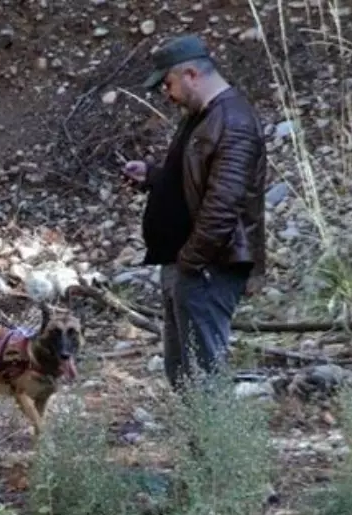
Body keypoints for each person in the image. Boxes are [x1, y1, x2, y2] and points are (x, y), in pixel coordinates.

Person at [123, 35, 267, 390]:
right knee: (185, 376)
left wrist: (191, 262)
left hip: (207, 269)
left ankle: (218, 446)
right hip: (190, 266)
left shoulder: (232, 122)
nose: (167, 94)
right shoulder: (203, 116)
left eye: (168, 84)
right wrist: (154, 177)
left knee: (203, 378)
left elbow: (223, 206)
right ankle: (202, 446)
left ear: (190, 74)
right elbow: (194, 180)